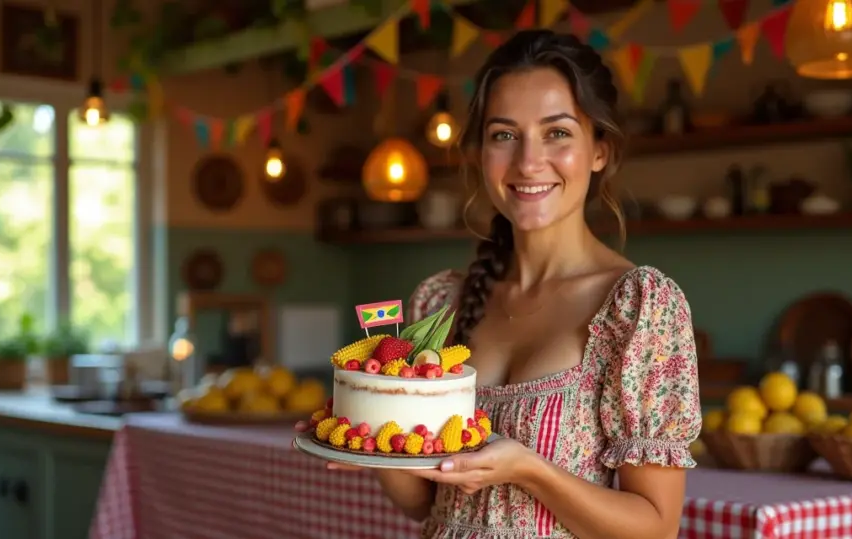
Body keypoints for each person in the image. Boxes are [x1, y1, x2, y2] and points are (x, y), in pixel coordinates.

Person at [297, 29, 701, 539]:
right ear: (479, 153)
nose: (528, 162)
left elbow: (657, 529)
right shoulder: (443, 301)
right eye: (504, 135)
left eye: (557, 132)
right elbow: (425, 505)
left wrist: (529, 469)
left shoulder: (640, 308)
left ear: (600, 149)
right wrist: (377, 445)